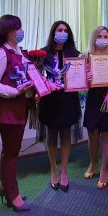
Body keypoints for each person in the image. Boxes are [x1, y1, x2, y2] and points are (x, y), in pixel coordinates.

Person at [0, 15, 34, 211]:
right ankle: (13, 195)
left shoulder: (19, 51)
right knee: (11, 152)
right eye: (17, 28)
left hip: (19, 107)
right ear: (8, 31)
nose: (21, 31)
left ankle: (6, 188)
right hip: (8, 109)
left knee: (11, 150)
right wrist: (14, 92)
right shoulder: (0, 53)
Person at [38, 21, 82, 192]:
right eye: (59, 30)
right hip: (50, 100)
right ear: (53, 32)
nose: (62, 33)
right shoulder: (43, 53)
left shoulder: (74, 54)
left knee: (65, 135)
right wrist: (44, 83)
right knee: (51, 135)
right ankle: (53, 170)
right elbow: (36, 75)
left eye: (65, 30)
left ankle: (64, 171)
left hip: (68, 100)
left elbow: (79, 75)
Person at [83, 26, 108, 189]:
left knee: (107, 134)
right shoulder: (86, 57)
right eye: (99, 36)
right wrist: (86, 77)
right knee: (92, 133)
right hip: (93, 98)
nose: (102, 39)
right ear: (94, 38)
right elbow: (79, 82)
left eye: (105, 36)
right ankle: (93, 162)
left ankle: (105, 167)